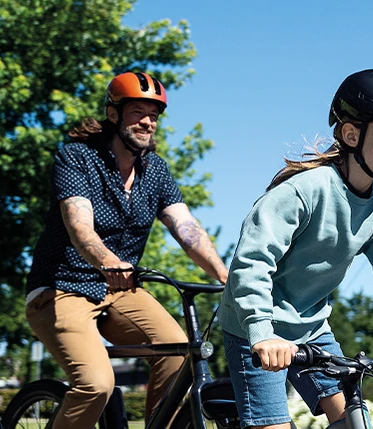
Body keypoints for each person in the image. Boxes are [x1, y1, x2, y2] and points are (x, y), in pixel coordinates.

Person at [217, 69, 373, 429]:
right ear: (351, 133)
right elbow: (252, 263)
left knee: (354, 420)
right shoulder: (306, 190)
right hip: (255, 326)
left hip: (311, 327)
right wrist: (262, 333)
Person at [25, 71, 228, 429]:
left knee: (180, 352)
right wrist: (108, 261)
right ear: (114, 114)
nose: (148, 122)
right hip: (61, 288)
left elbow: (187, 229)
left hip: (120, 290)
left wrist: (226, 276)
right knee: (96, 384)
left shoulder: (156, 172)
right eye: (138, 112)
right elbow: (79, 227)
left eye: (154, 115)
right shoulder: (77, 159)